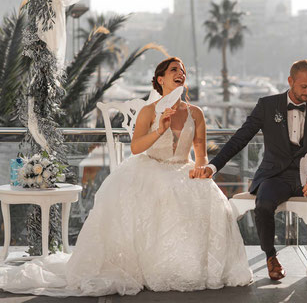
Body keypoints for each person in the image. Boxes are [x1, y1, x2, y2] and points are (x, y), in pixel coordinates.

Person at [0, 57, 252, 296]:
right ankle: (153, 266)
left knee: (209, 195)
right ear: (160, 79)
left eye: (183, 70)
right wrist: (160, 128)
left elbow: (200, 152)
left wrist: (201, 168)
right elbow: (136, 147)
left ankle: (193, 266)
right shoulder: (148, 111)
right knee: (163, 189)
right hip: (150, 167)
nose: (180, 73)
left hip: (182, 169)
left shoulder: (195, 112)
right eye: (174, 69)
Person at [192, 60, 307, 281]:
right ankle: (271, 257)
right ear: (290, 81)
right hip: (274, 176)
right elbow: (241, 138)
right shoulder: (268, 105)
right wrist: (213, 165)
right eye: (303, 87)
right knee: (264, 204)